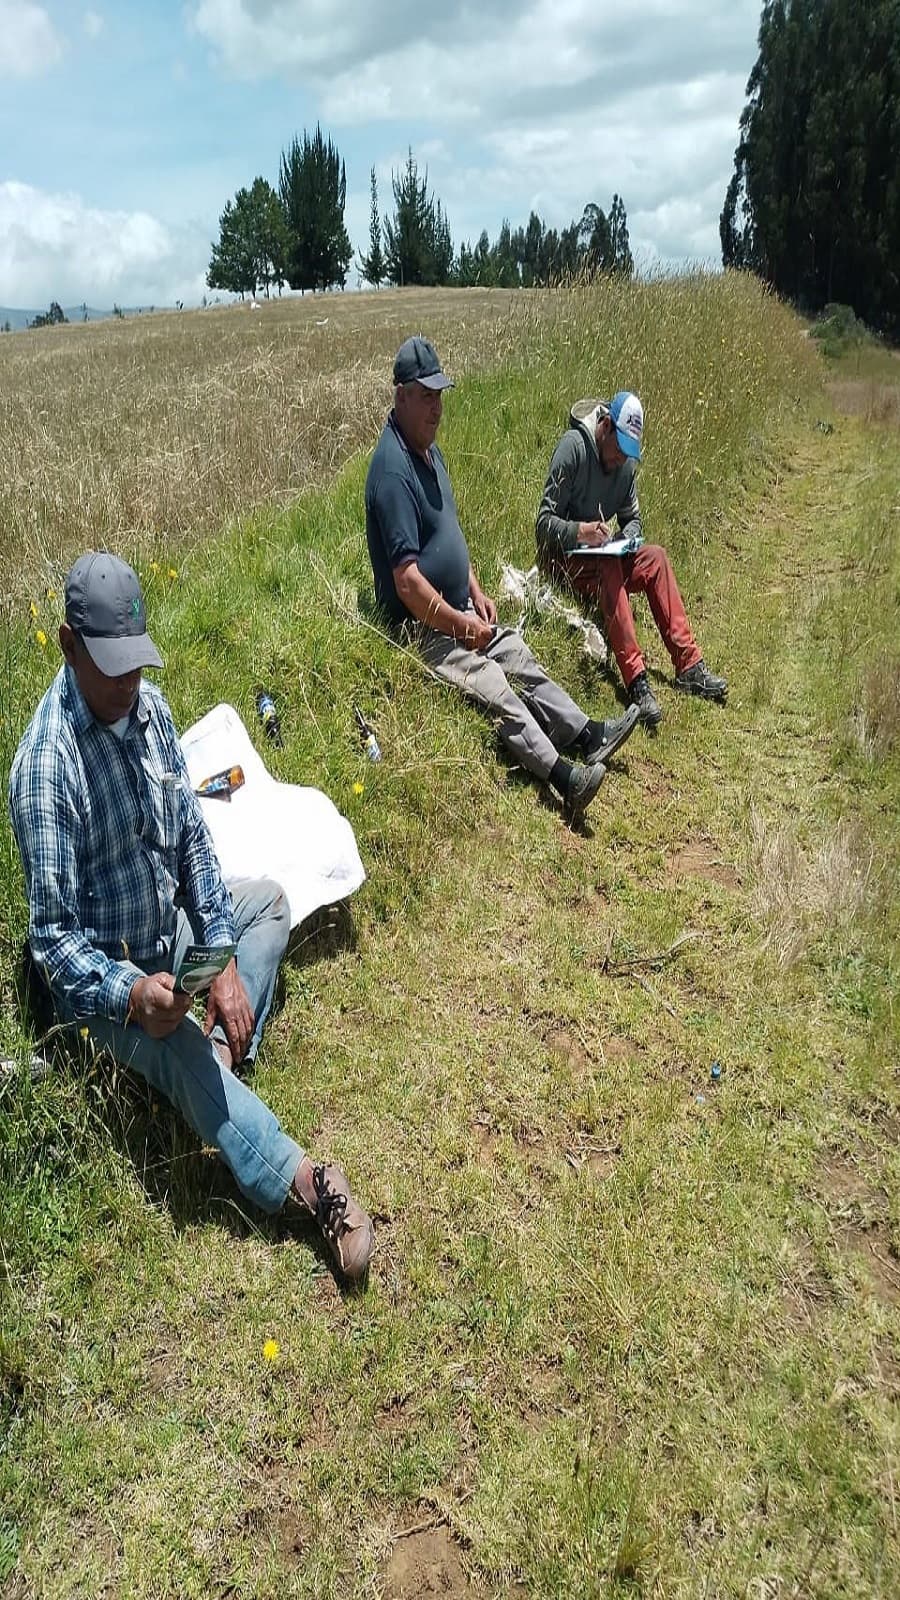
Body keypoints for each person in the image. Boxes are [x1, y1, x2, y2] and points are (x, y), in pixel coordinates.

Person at [8, 552, 373, 1282]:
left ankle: (219, 1062)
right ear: (67, 645)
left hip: (164, 933)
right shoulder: (46, 769)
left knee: (265, 900)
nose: (128, 684)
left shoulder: (147, 710)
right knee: (170, 1042)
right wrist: (133, 996)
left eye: (136, 665)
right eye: (111, 667)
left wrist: (221, 952)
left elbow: (193, 843)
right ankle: (307, 1184)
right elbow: (54, 943)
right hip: (103, 980)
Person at [365, 337, 639, 816]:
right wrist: (460, 624)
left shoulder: (430, 453)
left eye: (441, 395)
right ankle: (564, 778)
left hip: (456, 607)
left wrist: (474, 589)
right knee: (492, 682)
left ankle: (586, 733)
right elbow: (407, 583)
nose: (437, 408)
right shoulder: (392, 471)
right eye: (426, 396)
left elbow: (446, 531)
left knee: (516, 651)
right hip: (422, 628)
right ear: (400, 395)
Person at [536, 391, 728, 726]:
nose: (621, 460)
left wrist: (625, 538)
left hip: (602, 559)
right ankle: (636, 680)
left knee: (656, 558)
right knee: (610, 565)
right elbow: (543, 524)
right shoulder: (573, 448)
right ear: (606, 426)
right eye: (619, 450)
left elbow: (632, 518)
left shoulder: (624, 469)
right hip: (563, 562)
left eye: (629, 453)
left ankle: (689, 664)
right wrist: (581, 531)